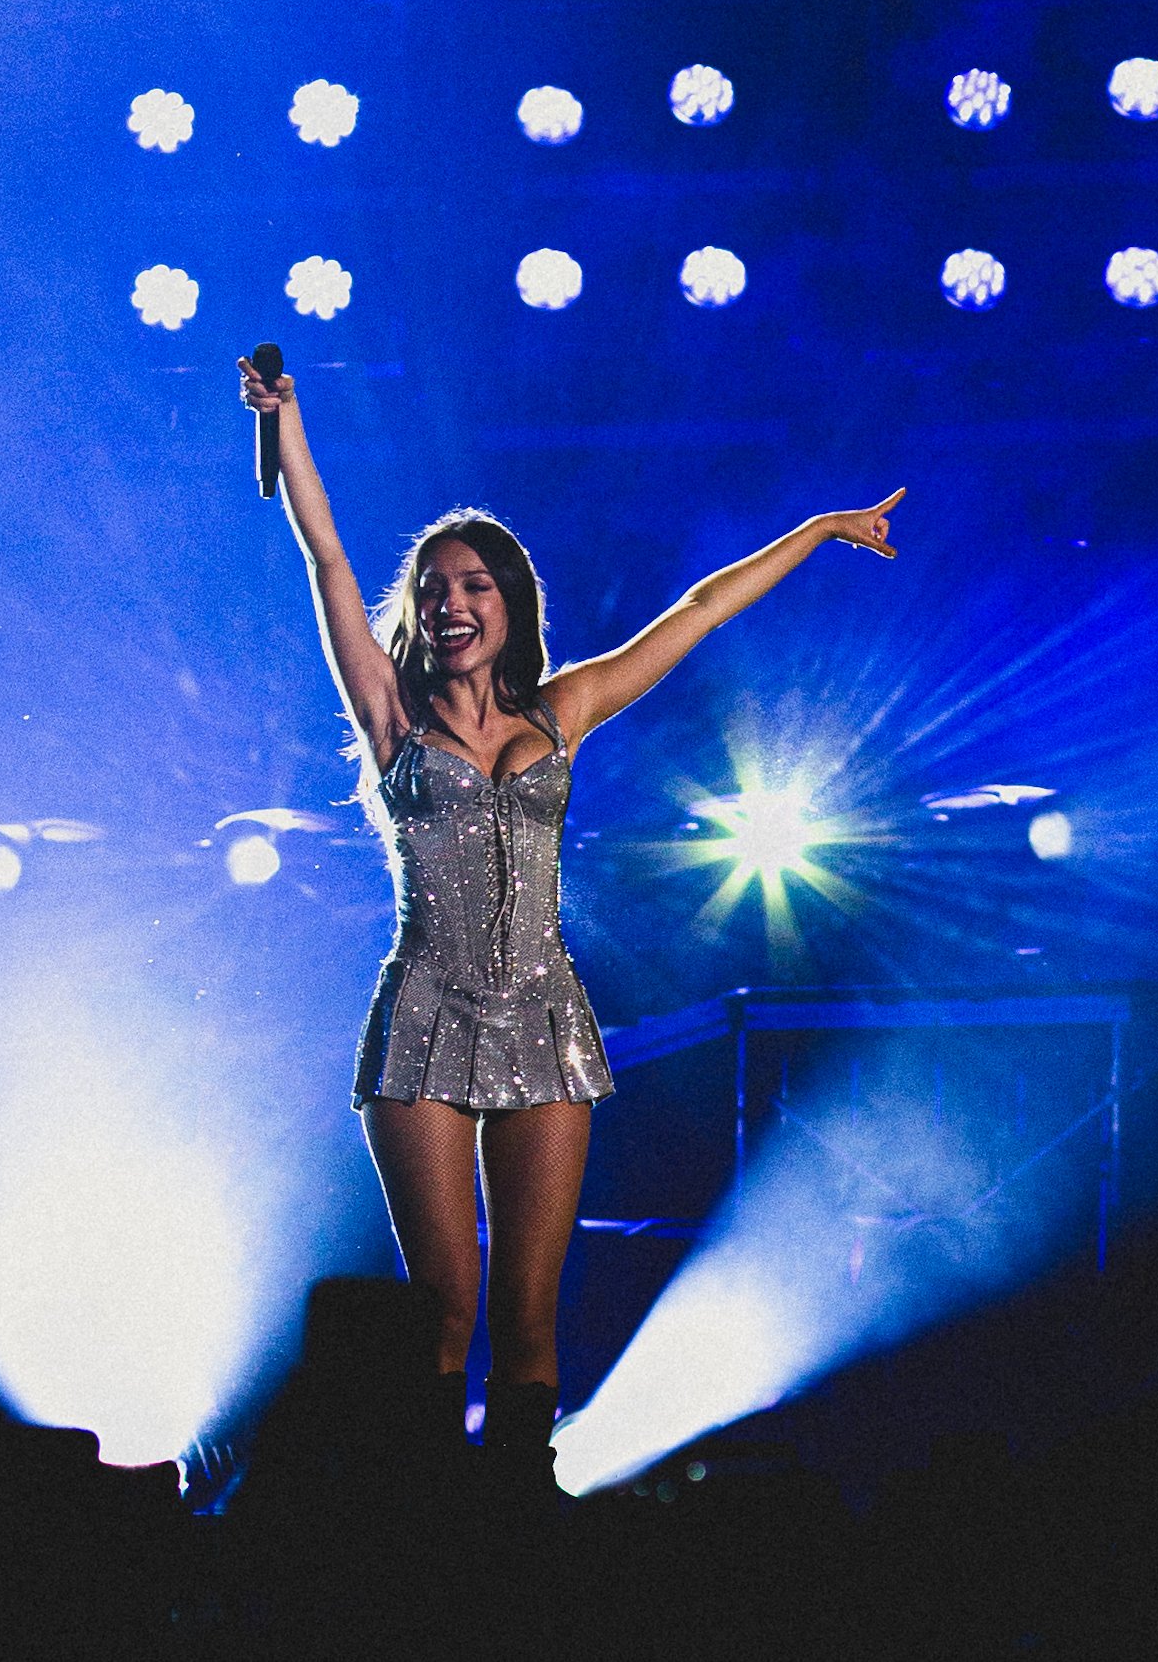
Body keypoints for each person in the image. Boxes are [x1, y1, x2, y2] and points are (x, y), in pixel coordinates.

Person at [237, 351, 902, 1489]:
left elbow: (696, 612)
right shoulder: (392, 720)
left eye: (474, 585)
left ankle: (515, 1513)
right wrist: (284, 421)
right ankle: (427, 1506)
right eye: (434, 588)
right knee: (442, 1307)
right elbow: (327, 554)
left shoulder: (563, 710)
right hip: (424, 1022)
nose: (451, 603)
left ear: (509, 605)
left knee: (530, 1310)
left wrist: (819, 530)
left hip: (543, 1019)